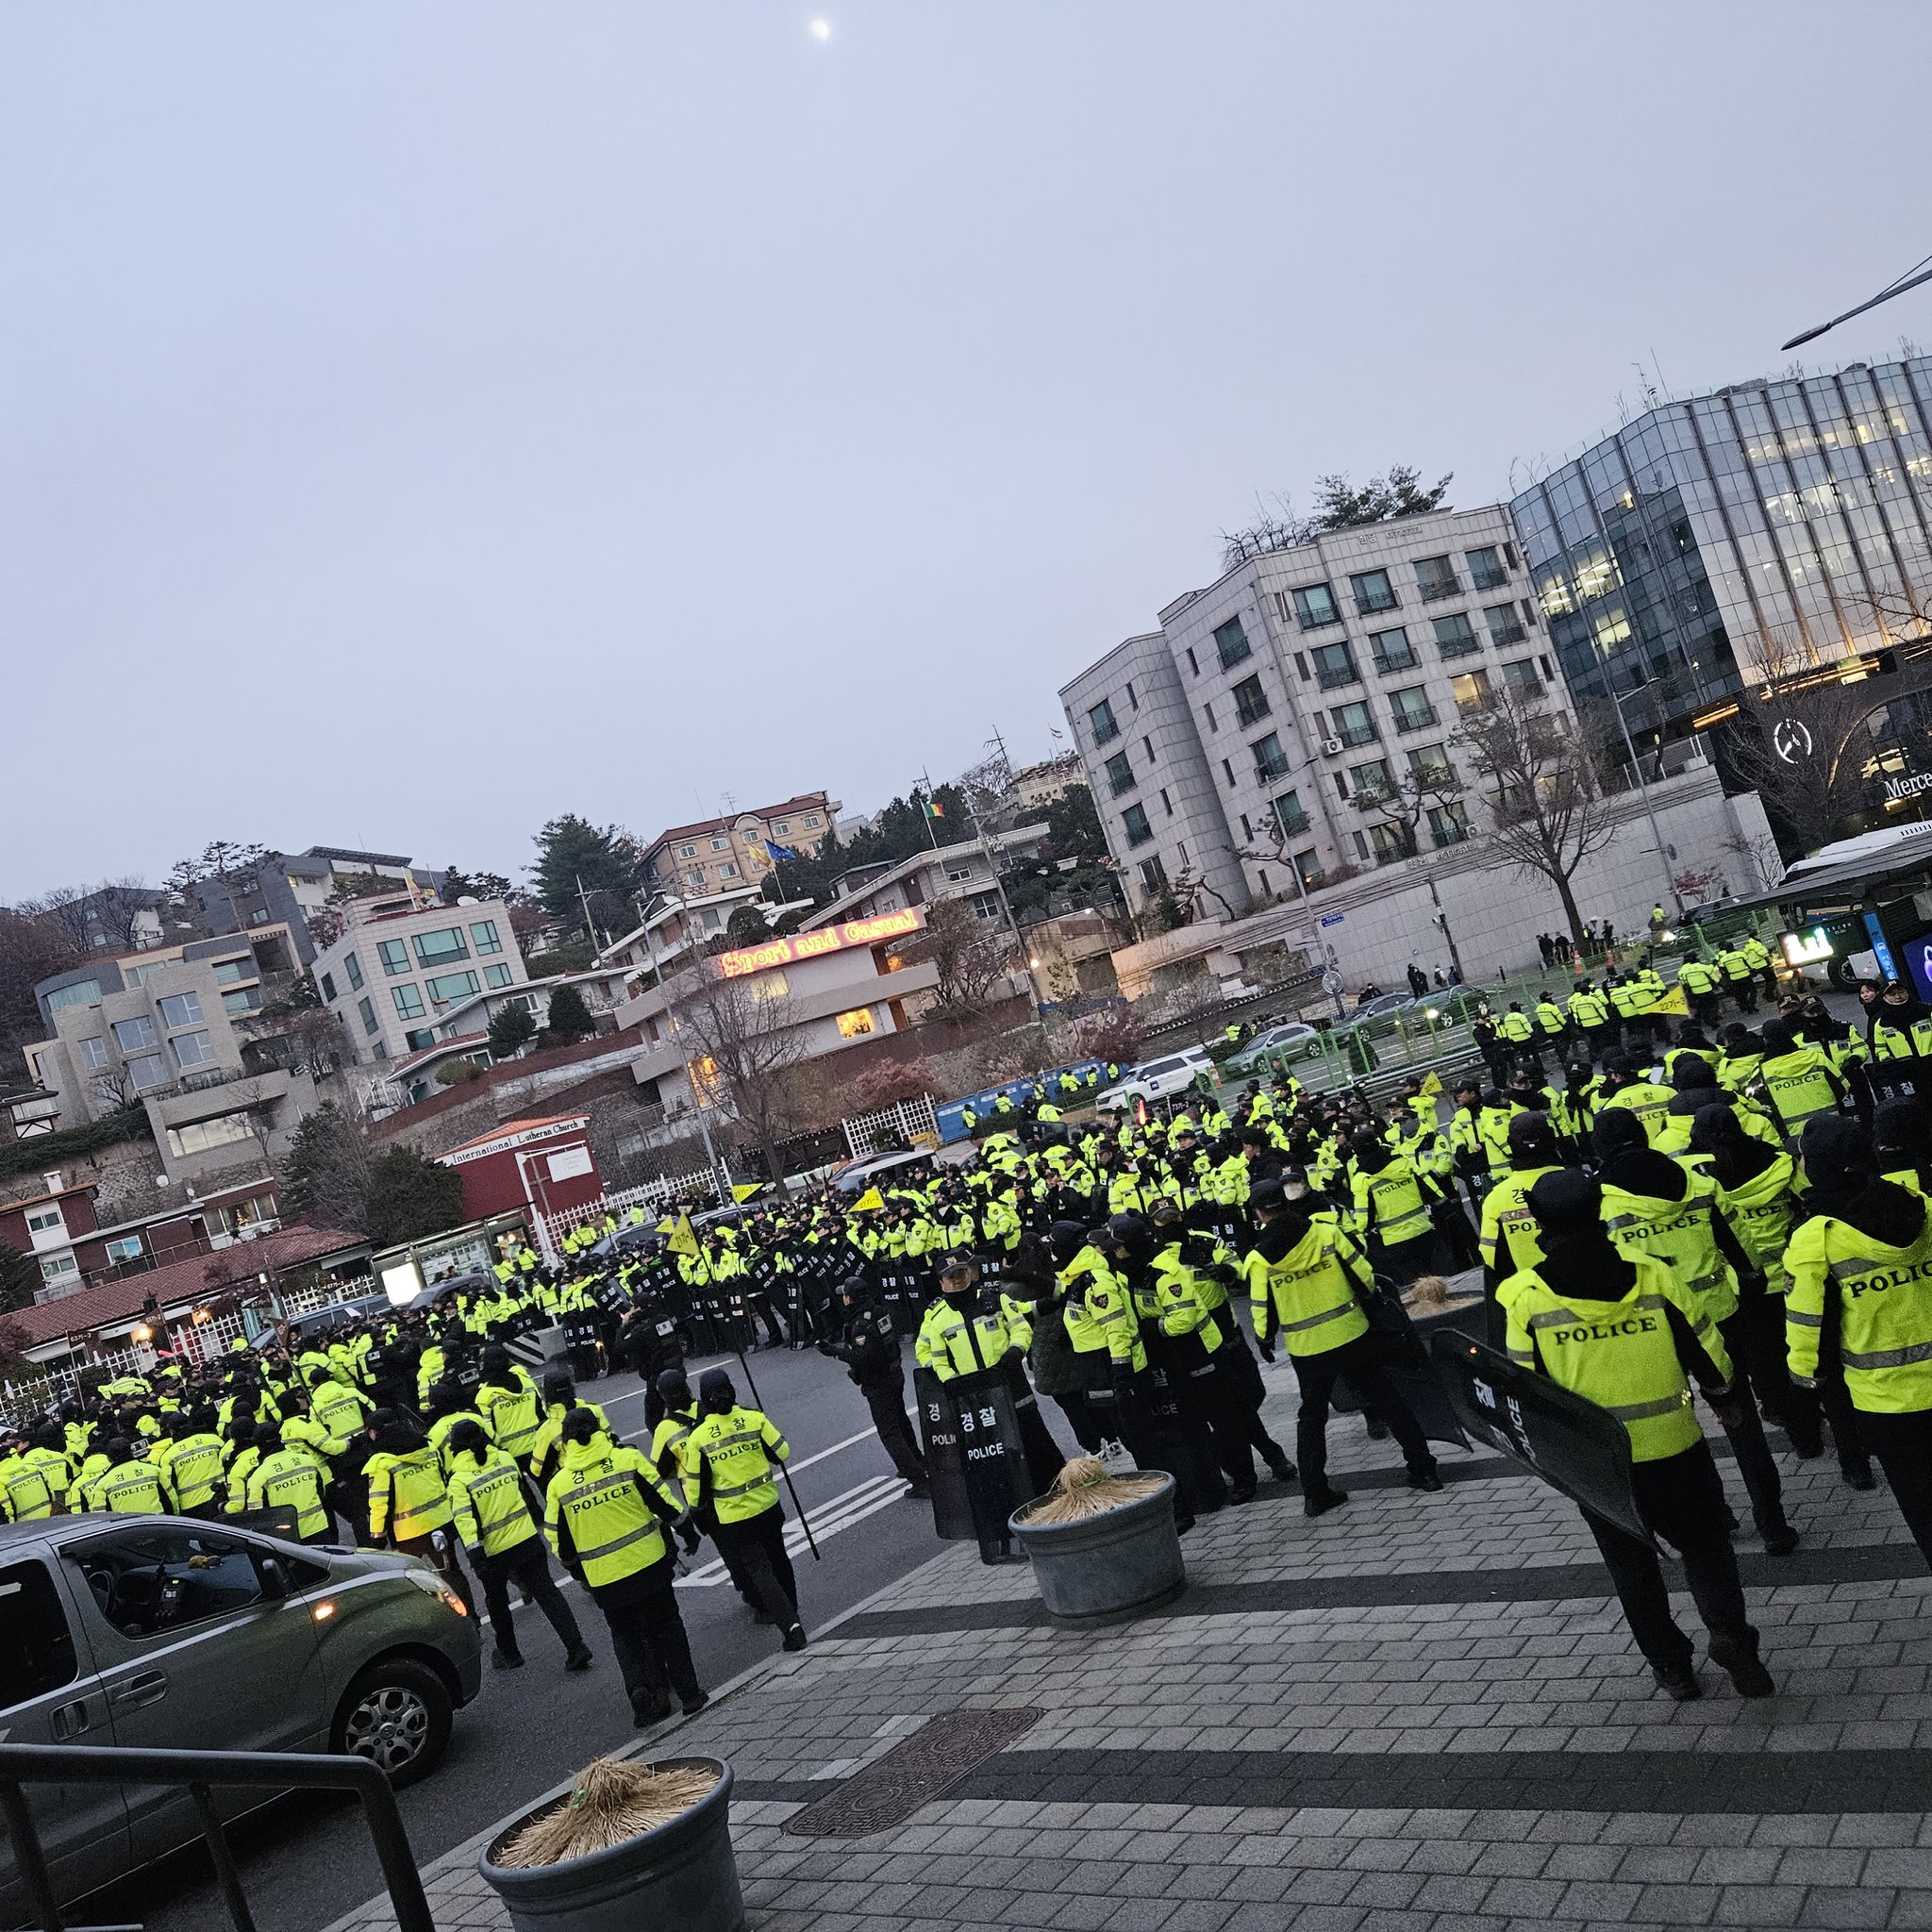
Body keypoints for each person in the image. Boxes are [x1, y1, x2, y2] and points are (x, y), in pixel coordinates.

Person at [1505, 1168, 1774, 1701]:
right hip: (1676, 1444)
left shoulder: (1523, 1296)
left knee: (1632, 1568)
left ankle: (1672, 1667)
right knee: (1706, 1549)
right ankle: (1730, 1634)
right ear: (1599, 1209)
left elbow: (1526, 1389)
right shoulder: (1653, 1275)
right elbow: (1703, 1344)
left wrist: (1548, 1455)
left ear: (1537, 1220)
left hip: (1597, 1463)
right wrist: (1726, 1401)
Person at [1242, 1179, 1441, 1517]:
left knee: (1311, 1418)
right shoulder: (1325, 1232)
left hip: (1308, 1348)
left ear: (1259, 1213)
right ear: (1285, 1203)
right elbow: (1363, 1273)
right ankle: (1424, 1470)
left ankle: (1315, 1494)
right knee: (1387, 1398)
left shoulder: (1259, 1258)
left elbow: (1261, 1310)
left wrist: (1264, 1340)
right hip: (1352, 1332)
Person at [1787, 1117, 1932, 1559]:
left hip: (1887, 1405)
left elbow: (1807, 1327)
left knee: (1925, 1513)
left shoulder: (1817, 1239)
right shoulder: (1921, 1206)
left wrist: (1805, 1381)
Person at [546, 1407, 705, 1724]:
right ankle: (689, 1695)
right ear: (599, 1430)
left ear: (566, 1441)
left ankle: (640, 1693)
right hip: (649, 1566)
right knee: (668, 1628)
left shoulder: (560, 1485)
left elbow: (559, 1541)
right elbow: (663, 1501)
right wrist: (687, 1532)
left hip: (605, 1580)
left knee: (626, 1637)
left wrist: (579, 1571)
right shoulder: (626, 1460)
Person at [446, 1418, 592, 1674]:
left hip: (494, 1552)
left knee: (497, 1602)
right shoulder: (505, 1459)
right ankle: (576, 1646)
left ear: (456, 1448)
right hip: (527, 1540)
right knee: (549, 1594)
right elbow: (523, 1493)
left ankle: (509, 1654)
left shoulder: (459, 1480)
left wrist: (476, 1555)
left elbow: (465, 1520)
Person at [677, 1369, 808, 1651]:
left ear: (704, 1399)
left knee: (761, 1571)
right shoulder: (753, 1418)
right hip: (768, 1506)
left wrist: (698, 1513)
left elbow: (696, 1491)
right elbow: (782, 1453)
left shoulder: (698, 1439)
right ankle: (792, 1610)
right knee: (780, 1559)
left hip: (735, 1518)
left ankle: (791, 1627)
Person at [819, 1276, 928, 1498]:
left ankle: (917, 1479)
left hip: (878, 1382)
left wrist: (835, 1351)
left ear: (851, 1298)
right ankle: (916, 1459)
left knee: (889, 1431)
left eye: (845, 1295)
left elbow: (863, 1356)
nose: (843, 1299)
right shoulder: (879, 1312)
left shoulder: (861, 1323)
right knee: (900, 1420)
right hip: (894, 1372)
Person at [364, 1410, 475, 1611]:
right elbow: (442, 1480)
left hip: (408, 1536)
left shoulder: (380, 1463)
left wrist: (377, 1541)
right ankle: (471, 1618)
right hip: (441, 1524)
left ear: (374, 1432)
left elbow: (379, 1506)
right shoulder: (428, 1446)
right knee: (452, 1574)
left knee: (415, 1583)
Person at [244, 1424, 335, 1542]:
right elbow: (321, 1492)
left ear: (258, 1445)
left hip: (286, 1538)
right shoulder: (307, 1460)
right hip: (319, 1528)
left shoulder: (257, 1477)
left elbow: (257, 1516)